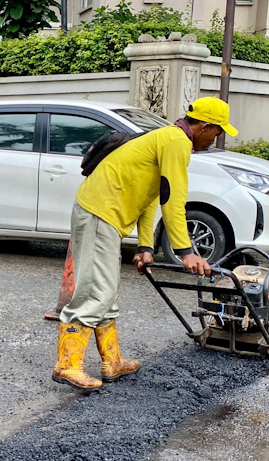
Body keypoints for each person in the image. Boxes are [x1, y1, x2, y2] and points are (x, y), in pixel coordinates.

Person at [52, 97, 238, 391]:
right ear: (204, 126)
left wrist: (145, 246)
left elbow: (151, 197)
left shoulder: (167, 137)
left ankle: (111, 360)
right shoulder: (176, 142)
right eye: (217, 131)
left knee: (107, 291)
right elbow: (173, 200)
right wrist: (186, 252)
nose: (217, 137)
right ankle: (67, 365)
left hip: (104, 214)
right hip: (100, 212)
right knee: (95, 291)